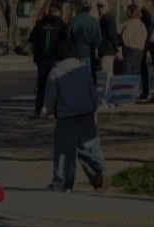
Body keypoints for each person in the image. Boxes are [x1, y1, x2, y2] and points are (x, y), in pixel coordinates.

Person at [44, 36, 108, 192]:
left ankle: (63, 183)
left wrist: (50, 109)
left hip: (66, 117)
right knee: (91, 149)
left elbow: (50, 96)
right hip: (86, 113)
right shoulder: (83, 69)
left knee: (65, 153)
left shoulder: (55, 71)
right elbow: (92, 92)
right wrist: (94, 109)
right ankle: (100, 174)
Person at [67, 0, 100, 83]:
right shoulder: (94, 21)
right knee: (88, 80)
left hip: (76, 54)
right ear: (90, 9)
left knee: (76, 80)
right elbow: (99, 38)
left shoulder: (73, 20)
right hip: (89, 54)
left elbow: (67, 37)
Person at [97, 0, 119, 88]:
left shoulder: (107, 18)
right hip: (106, 50)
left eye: (101, 6)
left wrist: (116, 49)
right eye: (98, 6)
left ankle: (107, 95)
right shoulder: (103, 18)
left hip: (107, 50)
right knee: (107, 73)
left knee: (106, 73)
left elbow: (112, 34)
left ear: (107, 7)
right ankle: (109, 94)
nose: (99, 8)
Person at [120, 4, 146, 77]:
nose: (126, 13)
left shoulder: (129, 23)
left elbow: (124, 36)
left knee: (127, 72)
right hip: (140, 51)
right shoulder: (142, 24)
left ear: (131, 12)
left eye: (127, 11)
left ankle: (126, 87)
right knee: (136, 72)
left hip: (130, 50)